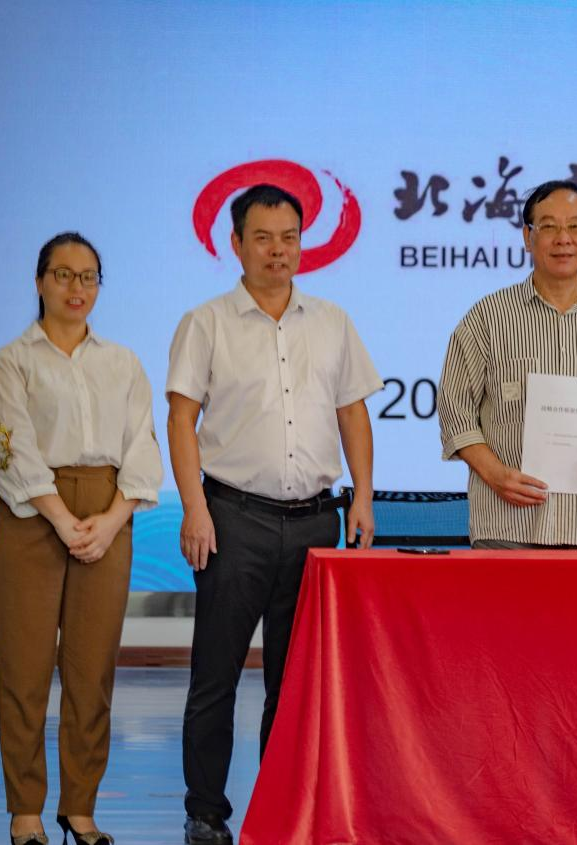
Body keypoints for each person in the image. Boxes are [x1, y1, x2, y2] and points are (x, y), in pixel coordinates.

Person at [167, 184, 383, 844]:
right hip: (233, 518)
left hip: (316, 522)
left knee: (295, 683)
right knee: (217, 676)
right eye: (262, 237)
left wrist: (364, 495)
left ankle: (280, 807)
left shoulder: (332, 321)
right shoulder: (206, 322)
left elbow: (352, 411)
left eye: (289, 237)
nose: (278, 250)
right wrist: (194, 507)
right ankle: (206, 812)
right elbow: (181, 419)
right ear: (235, 243)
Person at [0, 232, 162, 845]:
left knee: (92, 672)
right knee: (25, 671)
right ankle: (26, 811)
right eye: (63, 275)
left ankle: (79, 807)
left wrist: (111, 520)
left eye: (88, 277)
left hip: (108, 515)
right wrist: (60, 519)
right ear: (39, 282)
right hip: (31, 515)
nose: (76, 288)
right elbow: (10, 449)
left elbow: (142, 447)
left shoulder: (123, 362)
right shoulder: (12, 361)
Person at [437, 180, 577, 549]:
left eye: (575, 226)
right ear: (528, 236)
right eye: (548, 226)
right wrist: (495, 475)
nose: (563, 239)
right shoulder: (487, 318)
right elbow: (455, 411)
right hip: (506, 528)